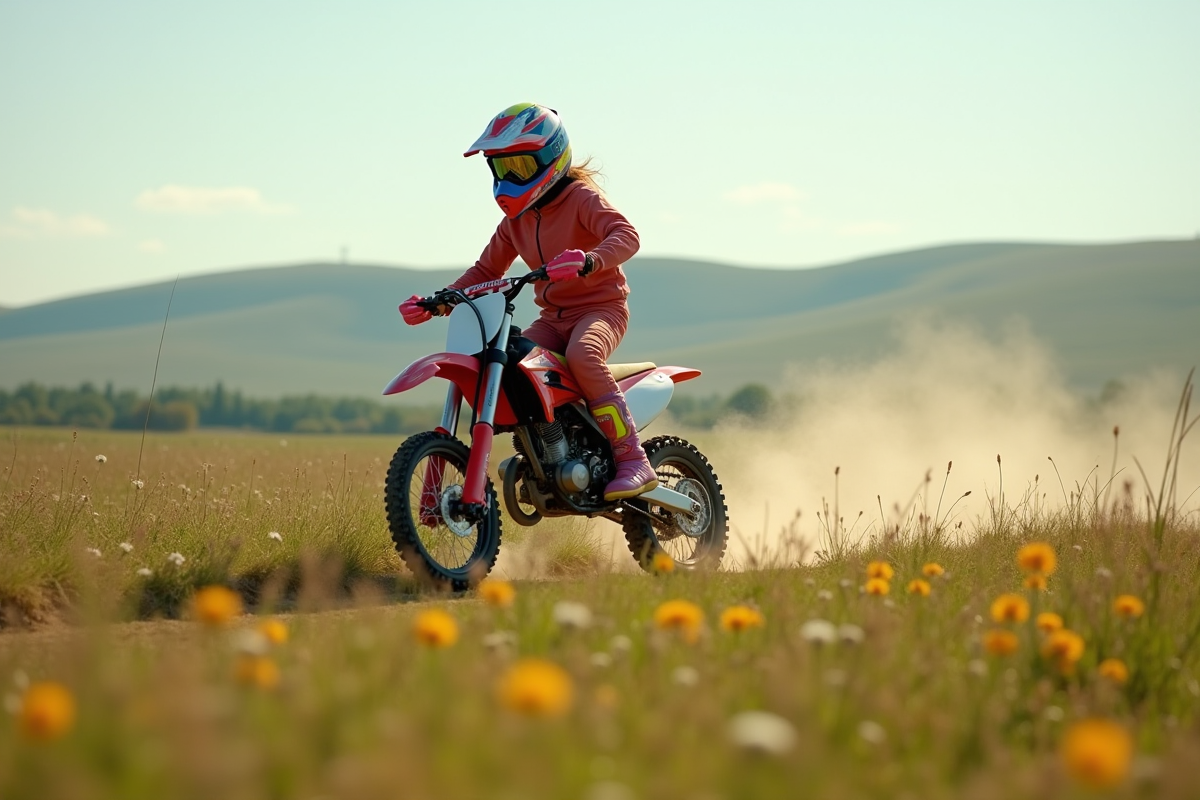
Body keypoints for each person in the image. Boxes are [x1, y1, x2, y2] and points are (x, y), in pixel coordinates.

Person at [399, 102, 656, 501]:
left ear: (550, 158)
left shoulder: (581, 198)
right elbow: (485, 271)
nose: (507, 178)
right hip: (552, 318)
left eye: (518, 167)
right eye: (500, 169)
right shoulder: (513, 223)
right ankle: (550, 454)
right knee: (518, 368)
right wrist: (439, 302)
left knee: (584, 356)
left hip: (600, 310)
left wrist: (590, 260)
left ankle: (632, 459)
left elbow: (626, 235)